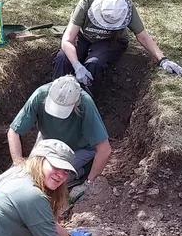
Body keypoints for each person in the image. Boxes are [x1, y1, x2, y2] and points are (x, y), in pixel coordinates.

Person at [53, 0, 182, 87]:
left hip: (110, 41)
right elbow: (67, 39)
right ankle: (55, 98)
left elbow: (143, 36)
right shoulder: (88, 0)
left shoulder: (125, 6)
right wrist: (76, 65)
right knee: (63, 58)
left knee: (94, 64)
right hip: (83, 36)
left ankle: (83, 105)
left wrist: (163, 60)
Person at [7, 76, 110, 204]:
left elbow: (104, 149)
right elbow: (14, 131)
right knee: (32, 175)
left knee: (47, 182)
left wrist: (89, 183)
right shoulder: (40, 95)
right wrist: (18, 165)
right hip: (48, 142)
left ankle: (82, 171)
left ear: (76, 104)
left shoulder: (85, 104)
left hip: (79, 149)